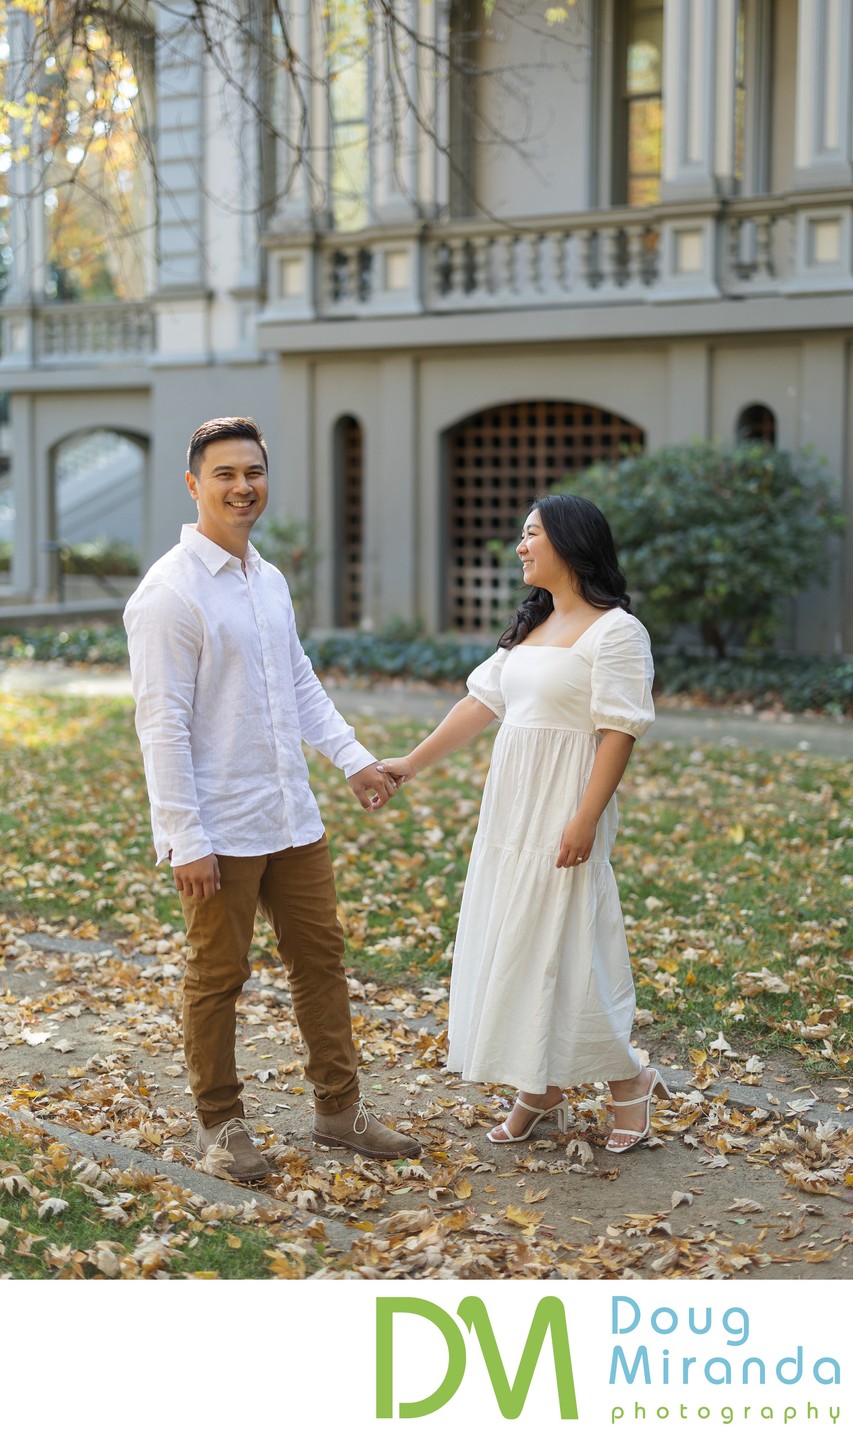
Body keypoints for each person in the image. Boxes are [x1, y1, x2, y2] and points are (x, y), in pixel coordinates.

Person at [124, 415, 421, 1183]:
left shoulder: (268, 579)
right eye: (224, 473)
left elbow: (297, 681)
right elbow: (162, 725)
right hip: (218, 825)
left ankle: (338, 1110)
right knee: (218, 976)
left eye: (252, 471)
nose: (242, 485)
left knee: (320, 959)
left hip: (290, 814)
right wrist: (182, 836)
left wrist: (352, 759)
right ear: (194, 485)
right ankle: (220, 1127)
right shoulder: (169, 595)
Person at [379, 494, 668, 1153]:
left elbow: (619, 730)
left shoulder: (616, 631)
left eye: (530, 534)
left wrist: (585, 818)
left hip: (565, 803)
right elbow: (479, 705)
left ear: (568, 542)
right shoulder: (530, 629)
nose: (519, 545)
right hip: (511, 810)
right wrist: (409, 764)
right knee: (516, 939)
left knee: (568, 945)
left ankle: (629, 1077)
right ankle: (539, 1089)